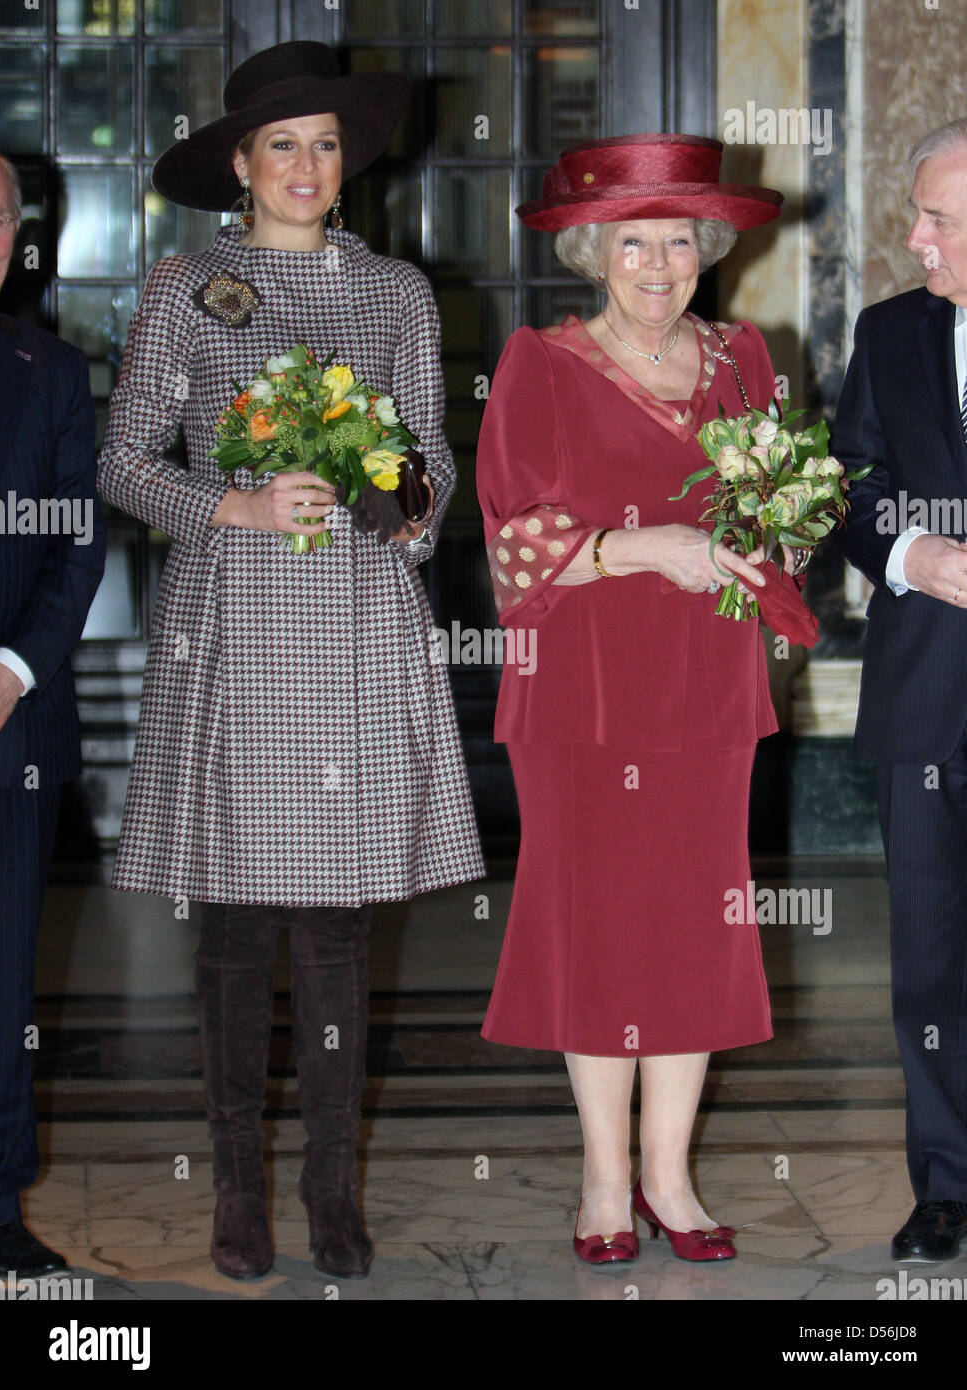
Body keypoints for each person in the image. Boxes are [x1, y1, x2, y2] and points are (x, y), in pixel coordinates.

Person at [98, 41, 484, 1282]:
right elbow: (123, 462)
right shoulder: (187, 287)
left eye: (324, 143)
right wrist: (238, 506)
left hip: (356, 626)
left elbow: (430, 458)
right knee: (235, 931)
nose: (305, 166)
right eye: (281, 146)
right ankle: (236, 1194)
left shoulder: (397, 296)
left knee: (332, 930)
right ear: (239, 165)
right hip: (237, 623)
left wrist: (399, 502)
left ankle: (329, 1190)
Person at [476, 134, 786, 1264]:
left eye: (677, 241)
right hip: (582, 693)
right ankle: (604, 1183)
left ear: (705, 247)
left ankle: (671, 1176)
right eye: (632, 242)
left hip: (705, 685)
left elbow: (769, 512)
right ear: (592, 251)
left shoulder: (743, 358)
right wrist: (642, 547)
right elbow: (512, 546)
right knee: (599, 930)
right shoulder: (537, 365)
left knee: (692, 931)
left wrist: (769, 534)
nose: (657, 264)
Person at [831, 117, 967, 1262]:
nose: (913, 238)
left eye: (937, 220)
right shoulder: (886, 333)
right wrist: (910, 555)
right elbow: (849, 482)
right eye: (915, 213)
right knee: (927, 952)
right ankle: (946, 1182)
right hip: (924, 691)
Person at [0, 153, 105, 1276]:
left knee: (3, 987)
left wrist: (14, 667)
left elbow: (79, 543)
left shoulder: (52, 373)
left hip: (9, 731)